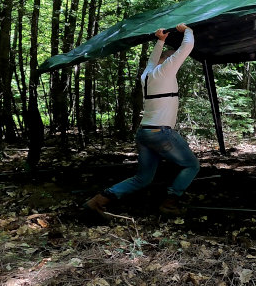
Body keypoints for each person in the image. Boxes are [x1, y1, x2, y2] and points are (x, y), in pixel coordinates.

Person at [84, 23, 200, 217]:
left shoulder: (147, 75)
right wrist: (187, 30)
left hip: (144, 132)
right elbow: (186, 47)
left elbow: (152, 61)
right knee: (191, 165)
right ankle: (171, 201)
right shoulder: (165, 71)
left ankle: (98, 201)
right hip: (160, 133)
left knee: (142, 178)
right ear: (168, 60)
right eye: (172, 59)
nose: (176, 63)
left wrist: (160, 41)